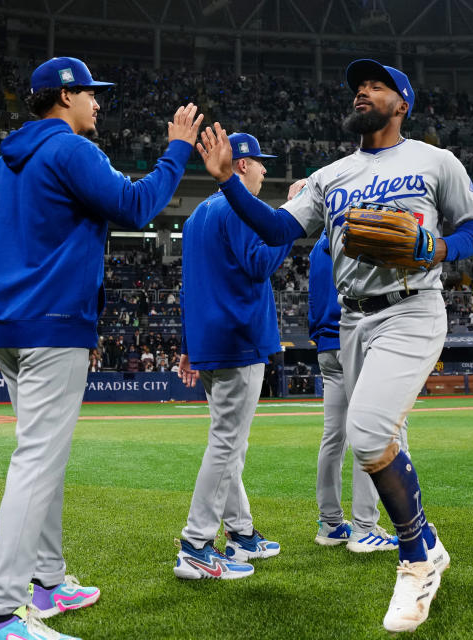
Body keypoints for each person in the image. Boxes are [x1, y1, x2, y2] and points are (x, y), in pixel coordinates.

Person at [195, 58, 473, 633]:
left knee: (369, 432)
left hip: (411, 307)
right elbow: (280, 230)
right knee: (377, 437)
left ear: (401, 102)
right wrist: (230, 182)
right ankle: (429, 541)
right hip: (353, 321)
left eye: (376, 85)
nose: (363, 91)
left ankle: (414, 562)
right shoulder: (331, 175)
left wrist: (440, 249)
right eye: (359, 85)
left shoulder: (435, 161)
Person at [0, 56, 203, 640]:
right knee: (36, 464)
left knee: (39, 459)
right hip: (53, 323)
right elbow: (136, 206)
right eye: (91, 94)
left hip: (9, 325)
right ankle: (1, 617)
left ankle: (48, 582)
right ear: (64, 97)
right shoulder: (73, 150)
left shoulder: (4, 161)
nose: (98, 103)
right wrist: (177, 148)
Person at [173, 133, 290, 581]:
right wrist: (286, 225)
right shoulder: (236, 206)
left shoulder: (200, 212)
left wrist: (190, 346)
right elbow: (259, 265)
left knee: (229, 443)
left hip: (212, 340)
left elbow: (194, 285)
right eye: (260, 163)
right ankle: (196, 544)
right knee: (227, 444)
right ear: (241, 165)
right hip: (238, 339)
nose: (265, 170)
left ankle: (240, 533)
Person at [308, 229, 400, 553]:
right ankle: (364, 528)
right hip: (353, 339)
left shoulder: (316, 248)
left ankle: (330, 524)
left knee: (333, 437)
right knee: (371, 428)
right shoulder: (353, 233)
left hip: (325, 347)